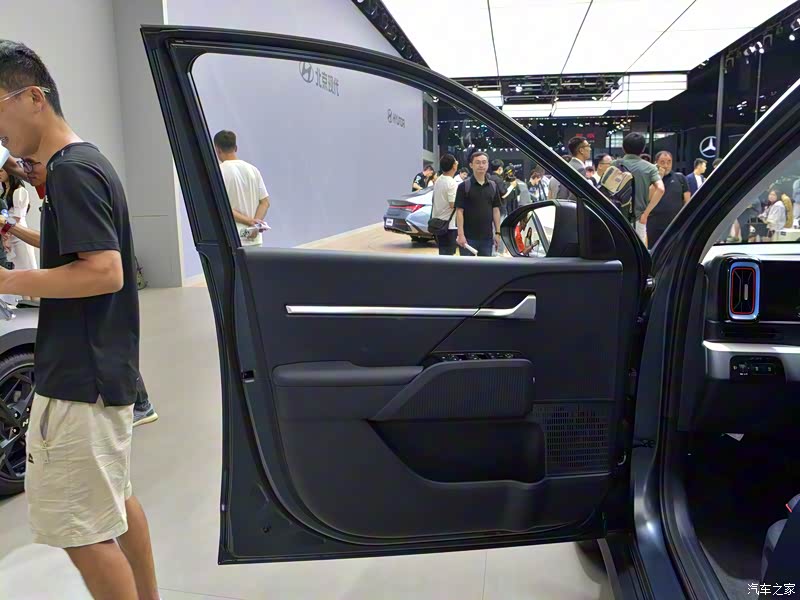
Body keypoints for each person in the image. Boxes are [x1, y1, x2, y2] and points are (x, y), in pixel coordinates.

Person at [0, 41, 158, 600]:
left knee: (83, 532)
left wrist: (7, 281)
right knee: (115, 501)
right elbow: (90, 258)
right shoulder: (83, 164)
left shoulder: (72, 171)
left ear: (33, 98)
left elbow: (105, 271)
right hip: (102, 372)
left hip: (78, 381)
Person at [2, 155, 158, 426]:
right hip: (83, 283)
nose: (26, 170)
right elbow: (16, 166)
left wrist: (9, 234)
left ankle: (141, 403)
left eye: (31, 164)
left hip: (92, 285)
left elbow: (50, 243)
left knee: (107, 342)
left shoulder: (71, 181)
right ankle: (139, 403)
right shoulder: (54, 180)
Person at [213, 131, 270, 247]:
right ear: (236, 148)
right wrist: (255, 225)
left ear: (218, 150)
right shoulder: (253, 170)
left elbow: (222, 207)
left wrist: (249, 221)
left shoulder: (218, 173)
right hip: (255, 239)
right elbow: (265, 202)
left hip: (234, 240)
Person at [614, 132, 665, 244]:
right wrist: (645, 214)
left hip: (615, 217)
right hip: (638, 219)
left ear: (623, 147)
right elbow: (661, 189)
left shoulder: (614, 165)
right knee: (638, 251)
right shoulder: (650, 168)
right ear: (642, 149)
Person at [455, 152, 502, 257]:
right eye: (478, 162)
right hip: (468, 238)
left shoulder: (493, 186)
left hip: (487, 238)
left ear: (487, 165)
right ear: (471, 165)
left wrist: (498, 233)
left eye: (484, 162)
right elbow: (459, 211)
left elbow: (496, 210)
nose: (481, 165)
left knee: (485, 267)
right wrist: (460, 234)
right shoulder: (464, 186)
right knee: (467, 266)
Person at [648, 151, 690, 247]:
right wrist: (658, 178)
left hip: (674, 224)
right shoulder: (649, 179)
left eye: (669, 162)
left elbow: (687, 201)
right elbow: (648, 198)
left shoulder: (680, 178)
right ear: (656, 163)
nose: (666, 165)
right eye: (662, 162)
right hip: (654, 224)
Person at [0, 167, 37, 273]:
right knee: (15, 271)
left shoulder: (19, 191)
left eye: (1, 171)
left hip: (19, 234)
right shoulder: (4, 192)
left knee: (27, 268)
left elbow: (16, 218)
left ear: (10, 172)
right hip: (9, 233)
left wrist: (5, 235)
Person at [430, 154, 459, 256]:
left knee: (442, 253)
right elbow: (452, 204)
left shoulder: (439, 179)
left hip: (437, 223)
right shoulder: (451, 183)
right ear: (454, 166)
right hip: (448, 225)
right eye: (456, 162)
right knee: (449, 255)